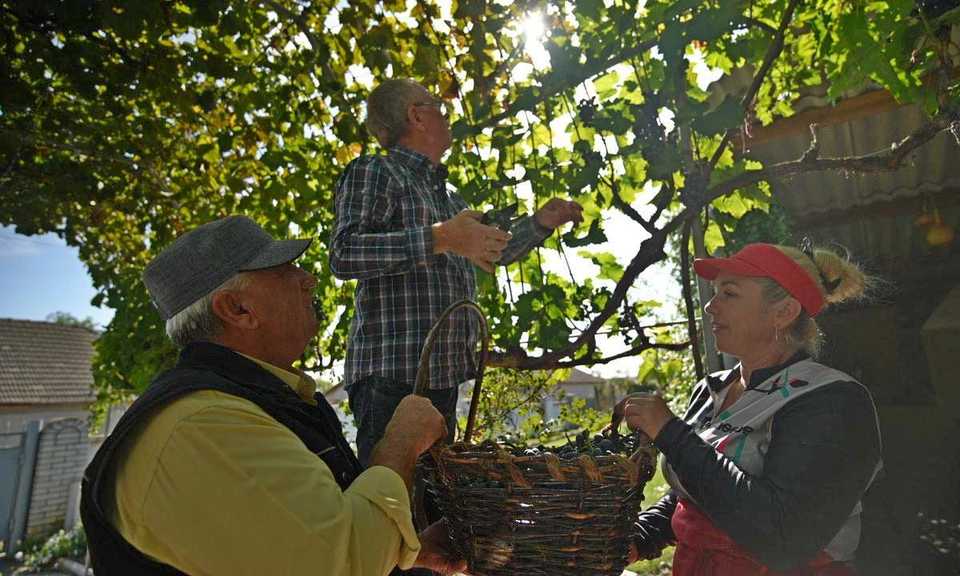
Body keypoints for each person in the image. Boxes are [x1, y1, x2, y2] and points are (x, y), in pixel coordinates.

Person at [80, 215, 465, 576]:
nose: (308, 279)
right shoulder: (202, 425)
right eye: (284, 270)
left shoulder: (255, 401)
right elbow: (342, 562)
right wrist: (400, 444)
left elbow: (292, 538)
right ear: (238, 308)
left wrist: (405, 550)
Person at [329, 77, 583, 465]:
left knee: (430, 513)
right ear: (416, 115)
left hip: (441, 380)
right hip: (392, 378)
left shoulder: (448, 196)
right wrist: (441, 237)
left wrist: (540, 224)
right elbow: (345, 254)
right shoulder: (377, 171)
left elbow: (490, 250)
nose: (447, 115)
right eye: (438, 106)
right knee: (391, 506)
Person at [616, 242, 882, 575]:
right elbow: (694, 491)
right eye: (714, 293)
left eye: (729, 293)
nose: (711, 306)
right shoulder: (712, 390)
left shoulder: (831, 399)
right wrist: (642, 537)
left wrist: (672, 433)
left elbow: (782, 537)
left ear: (783, 312)